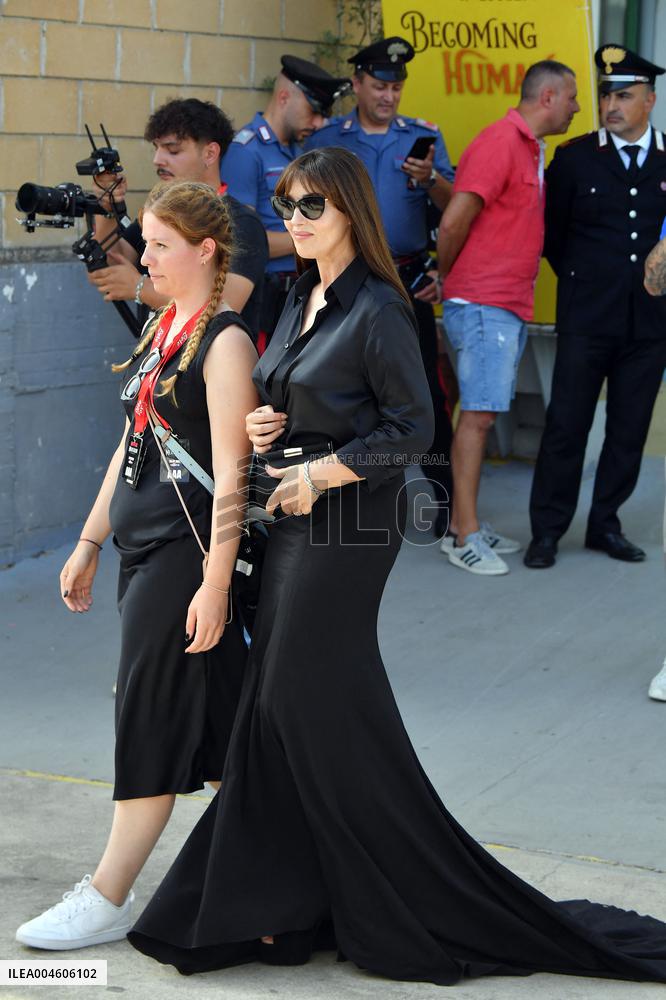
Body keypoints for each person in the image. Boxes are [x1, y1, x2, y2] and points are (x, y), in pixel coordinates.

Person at [123, 149, 666, 987]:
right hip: (294, 511)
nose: (296, 222)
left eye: (312, 208)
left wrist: (316, 471)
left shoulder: (378, 306)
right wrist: (273, 426)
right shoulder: (300, 293)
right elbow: (300, 396)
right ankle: (282, 902)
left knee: (297, 696)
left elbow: (411, 430)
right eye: (287, 208)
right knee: (287, 708)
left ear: (348, 211)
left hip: (352, 522)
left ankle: (390, 897)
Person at [15, 181, 258, 950]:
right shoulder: (165, 326)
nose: (141, 255)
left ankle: (108, 895)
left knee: (146, 714)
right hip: (141, 550)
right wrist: (90, 539)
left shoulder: (225, 342)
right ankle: (299, 866)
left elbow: (233, 470)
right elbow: (133, 444)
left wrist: (216, 583)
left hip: (185, 563)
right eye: (144, 241)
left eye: (157, 244)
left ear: (204, 250)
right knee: (227, 735)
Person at [305, 36, 455, 537]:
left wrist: (430, 177)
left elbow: (452, 207)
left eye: (397, 87)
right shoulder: (329, 139)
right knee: (339, 391)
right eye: (380, 86)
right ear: (358, 85)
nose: (390, 96)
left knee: (425, 396)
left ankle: (440, 507)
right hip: (343, 280)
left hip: (406, 278)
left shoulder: (423, 137)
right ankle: (346, 499)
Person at [525, 46, 666, 569]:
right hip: (587, 318)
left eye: (625, 95)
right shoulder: (576, 159)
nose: (612, 104)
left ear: (649, 100)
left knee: (628, 430)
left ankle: (606, 524)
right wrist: (591, 284)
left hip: (649, 323)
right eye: (607, 93)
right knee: (567, 425)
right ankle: (548, 530)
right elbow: (554, 240)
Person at [438, 61, 580, 575]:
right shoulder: (501, 141)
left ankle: (467, 520)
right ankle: (462, 533)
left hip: (502, 304)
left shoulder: (528, 146)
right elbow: (454, 219)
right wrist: (451, 277)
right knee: (476, 418)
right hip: (483, 303)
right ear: (547, 96)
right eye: (572, 97)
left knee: (482, 413)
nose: (577, 108)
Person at [88, 98, 268, 340]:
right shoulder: (161, 214)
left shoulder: (243, 223)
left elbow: (224, 306)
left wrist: (140, 288)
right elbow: (109, 264)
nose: (157, 160)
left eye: (173, 150)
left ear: (210, 153)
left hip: (213, 366)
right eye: (156, 148)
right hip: (160, 362)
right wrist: (106, 204)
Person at [221, 55, 351, 350]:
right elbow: (242, 242)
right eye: (313, 111)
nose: (318, 122)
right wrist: (324, 238)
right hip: (267, 297)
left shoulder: (296, 151)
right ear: (283, 97)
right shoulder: (246, 152)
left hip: (302, 291)